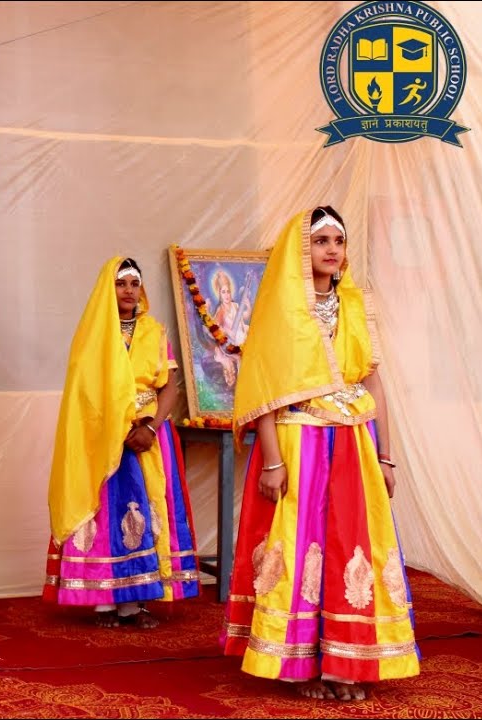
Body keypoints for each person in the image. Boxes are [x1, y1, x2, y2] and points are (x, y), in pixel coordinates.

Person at [221, 206, 418, 700]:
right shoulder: (281, 310)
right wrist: (271, 461)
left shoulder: (354, 305)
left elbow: (372, 379)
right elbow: (265, 388)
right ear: (300, 251)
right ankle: (299, 664)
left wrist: (386, 456)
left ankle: (343, 664)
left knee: (349, 544)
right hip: (298, 441)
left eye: (338, 241)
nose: (332, 249)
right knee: (300, 542)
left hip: (353, 442)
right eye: (321, 241)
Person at [43, 257, 200, 628]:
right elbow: (83, 393)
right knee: (105, 511)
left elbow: (170, 388)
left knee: (144, 510)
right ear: (106, 289)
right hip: (103, 439)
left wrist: (151, 426)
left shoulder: (155, 332)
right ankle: (103, 597)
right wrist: (109, 426)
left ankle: (136, 600)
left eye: (134, 283)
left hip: (148, 436)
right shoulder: (93, 334)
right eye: (121, 283)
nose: (129, 290)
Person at [210, 270, 252, 388]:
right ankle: (241, 383)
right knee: (239, 357)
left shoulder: (236, 306)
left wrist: (248, 307)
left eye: (228, 292)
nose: (227, 295)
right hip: (230, 341)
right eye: (223, 292)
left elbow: (245, 316)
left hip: (242, 336)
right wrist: (227, 331)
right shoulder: (221, 310)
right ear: (219, 294)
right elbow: (215, 327)